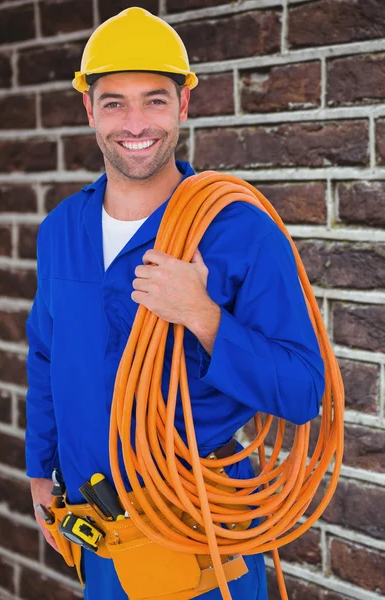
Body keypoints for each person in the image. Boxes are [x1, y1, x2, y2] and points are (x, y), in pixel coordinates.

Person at [25, 7, 325, 600]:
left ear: (184, 105)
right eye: (114, 102)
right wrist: (41, 470)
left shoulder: (237, 231)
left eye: (155, 100)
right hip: (103, 533)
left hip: (204, 536)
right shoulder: (61, 230)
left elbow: (302, 390)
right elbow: (45, 356)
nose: (135, 122)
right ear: (89, 109)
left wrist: (204, 316)